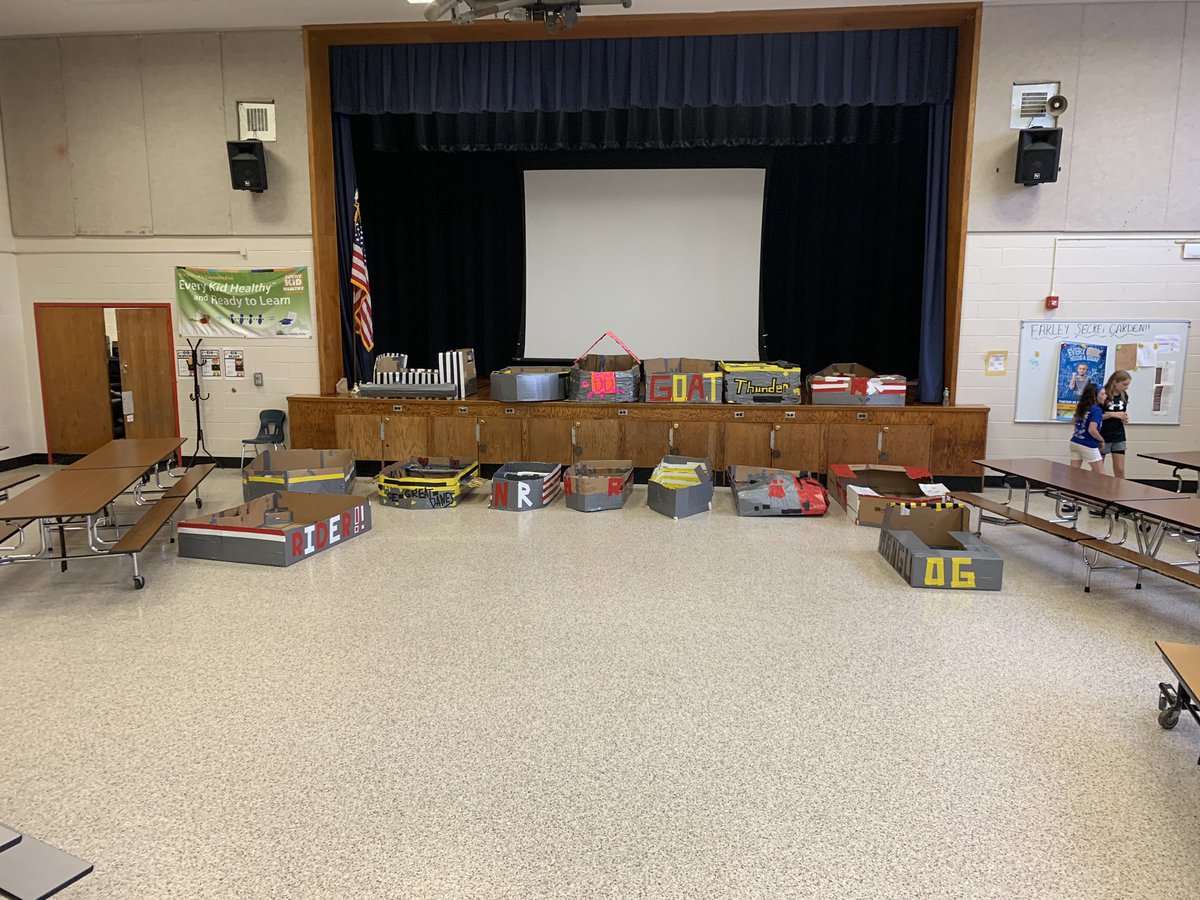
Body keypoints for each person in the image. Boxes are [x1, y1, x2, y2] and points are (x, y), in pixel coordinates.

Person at [1100, 369, 1132, 479]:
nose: (1126, 387)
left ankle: (1120, 491)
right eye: (1124, 384)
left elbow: (1122, 413)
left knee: (1120, 468)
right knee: (1098, 468)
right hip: (1102, 434)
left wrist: (1124, 418)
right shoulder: (1103, 395)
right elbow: (1097, 416)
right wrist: (1113, 415)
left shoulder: (1124, 395)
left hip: (1118, 434)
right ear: (1115, 382)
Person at [1069, 382, 1106, 474]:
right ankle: (1095, 488)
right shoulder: (1097, 410)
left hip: (1075, 442)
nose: (1105, 396)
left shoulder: (1082, 406)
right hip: (1088, 444)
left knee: (1074, 474)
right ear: (1094, 396)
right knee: (1101, 475)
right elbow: (1092, 430)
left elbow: (1073, 421)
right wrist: (1101, 440)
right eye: (1102, 394)